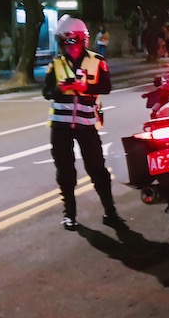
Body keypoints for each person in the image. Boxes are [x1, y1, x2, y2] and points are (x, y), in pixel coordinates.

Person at [42, 15, 126, 232]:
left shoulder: (98, 61)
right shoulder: (56, 64)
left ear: (83, 40)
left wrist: (85, 88)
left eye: (74, 42)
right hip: (60, 126)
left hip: (86, 124)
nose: (71, 48)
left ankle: (110, 212)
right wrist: (59, 89)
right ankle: (69, 214)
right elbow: (46, 92)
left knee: (97, 169)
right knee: (65, 171)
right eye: (66, 43)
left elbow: (106, 87)